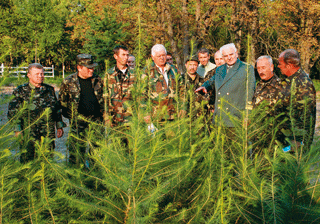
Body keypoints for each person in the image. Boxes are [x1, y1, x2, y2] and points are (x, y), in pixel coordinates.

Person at [8, 63, 65, 163]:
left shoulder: (49, 90)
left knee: (47, 159)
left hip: (47, 132)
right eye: (37, 74)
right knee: (28, 160)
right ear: (29, 75)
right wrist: (18, 130)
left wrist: (59, 125)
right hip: (29, 132)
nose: (40, 76)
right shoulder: (20, 91)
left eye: (42, 74)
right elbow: (13, 112)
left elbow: (56, 109)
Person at [195, 43, 256, 128]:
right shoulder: (220, 69)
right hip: (219, 117)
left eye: (231, 54)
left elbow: (250, 92)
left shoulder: (246, 68)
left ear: (236, 53)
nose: (229, 57)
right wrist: (205, 86)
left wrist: (248, 114)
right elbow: (213, 80)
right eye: (226, 56)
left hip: (235, 117)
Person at [59, 54, 104, 166]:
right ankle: (77, 178)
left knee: (97, 152)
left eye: (93, 67)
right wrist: (72, 118)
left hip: (97, 122)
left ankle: (95, 178)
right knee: (77, 153)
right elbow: (62, 102)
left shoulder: (98, 80)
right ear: (79, 67)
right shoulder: (68, 82)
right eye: (89, 68)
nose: (92, 70)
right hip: (78, 122)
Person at [277, 49, 316, 151]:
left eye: (280, 63)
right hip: (286, 139)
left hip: (294, 143)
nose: (278, 66)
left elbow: (305, 116)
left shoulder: (303, 83)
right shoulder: (291, 80)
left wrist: (298, 141)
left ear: (289, 64)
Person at [251, 56, 285, 151]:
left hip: (274, 141)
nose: (260, 71)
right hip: (257, 139)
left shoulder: (281, 86)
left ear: (271, 67)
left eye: (263, 67)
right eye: (258, 68)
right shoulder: (259, 85)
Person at [143, 44, 181, 124]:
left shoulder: (174, 69)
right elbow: (142, 94)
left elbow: (182, 89)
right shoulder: (147, 71)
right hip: (155, 116)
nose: (162, 58)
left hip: (173, 115)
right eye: (158, 56)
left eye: (163, 55)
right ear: (152, 57)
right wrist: (145, 113)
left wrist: (182, 108)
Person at [107, 45, 135, 127]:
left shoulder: (135, 74)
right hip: (115, 120)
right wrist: (106, 117)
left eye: (127, 55)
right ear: (115, 56)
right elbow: (105, 97)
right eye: (123, 55)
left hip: (131, 119)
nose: (126, 57)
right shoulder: (109, 74)